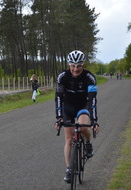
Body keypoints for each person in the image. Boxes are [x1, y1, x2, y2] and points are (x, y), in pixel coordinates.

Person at [54, 50, 100, 183]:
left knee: (84, 128)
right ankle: (69, 169)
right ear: (69, 64)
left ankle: (87, 143)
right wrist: (59, 117)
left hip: (83, 107)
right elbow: (58, 98)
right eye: (73, 65)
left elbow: (92, 101)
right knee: (69, 139)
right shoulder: (62, 76)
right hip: (67, 107)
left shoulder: (89, 78)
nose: (75, 69)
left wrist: (95, 121)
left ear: (83, 65)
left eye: (78, 65)